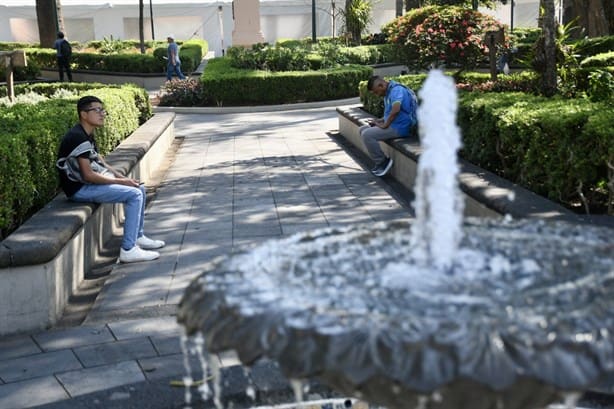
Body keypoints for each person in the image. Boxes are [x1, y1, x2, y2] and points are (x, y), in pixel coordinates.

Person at [56, 96, 165, 263]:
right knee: (134, 194)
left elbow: (99, 161)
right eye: (97, 110)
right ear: (84, 114)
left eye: (102, 109)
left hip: (87, 184)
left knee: (139, 188)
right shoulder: (77, 137)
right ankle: (128, 249)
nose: (102, 114)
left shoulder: (86, 133)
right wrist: (122, 182)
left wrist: (120, 176)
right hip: (79, 189)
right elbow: (88, 175)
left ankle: (138, 236)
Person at [359, 76, 418, 177]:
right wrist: (379, 120)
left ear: (381, 85)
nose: (377, 95)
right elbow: (390, 113)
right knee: (362, 129)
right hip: (395, 125)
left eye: (376, 92)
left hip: (401, 127)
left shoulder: (396, 90)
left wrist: (384, 125)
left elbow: (396, 110)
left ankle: (382, 162)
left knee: (367, 135)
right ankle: (381, 161)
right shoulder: (389, 91)